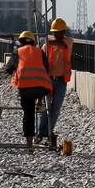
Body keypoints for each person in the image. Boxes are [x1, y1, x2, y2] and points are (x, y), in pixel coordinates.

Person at [7, 30, 53, 150]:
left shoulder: (18, 52)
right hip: (41, 88)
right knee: (42, 104)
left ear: (21, 42)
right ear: (34, 41)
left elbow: (8, 68)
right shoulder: (40, 52)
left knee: (28, 114)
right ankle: (39, 102)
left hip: (25, 88)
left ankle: (29, 145)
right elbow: (47, 69)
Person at [37, 17, 74, 147]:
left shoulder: (67, 42)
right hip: (48, 79)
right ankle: (41, 132)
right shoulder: (46, 45)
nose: (58, 35)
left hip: (61, 81)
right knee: (45, 108)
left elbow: (65, 42)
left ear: (64, 32)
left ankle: (47, 132)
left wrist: (50, 41)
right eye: (56, 32)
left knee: (55, 108)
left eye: (60, 32)